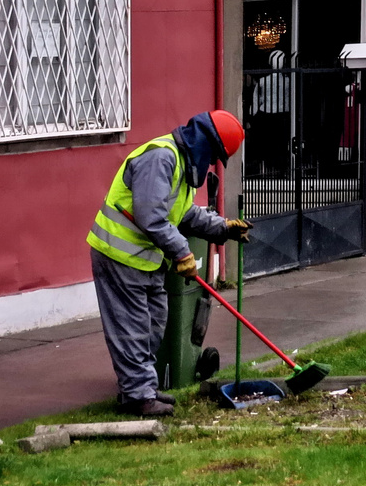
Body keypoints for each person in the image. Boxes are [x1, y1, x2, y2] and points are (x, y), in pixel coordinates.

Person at [87, 110, 251, 415]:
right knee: (133, 328)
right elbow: (151, 217)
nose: (211, 162)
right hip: (119, 256)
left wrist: (223, 228)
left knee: (153, 326)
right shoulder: (162, 158)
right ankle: (138, 396)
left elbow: (184, 215)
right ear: (206, 143)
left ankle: (140, 389)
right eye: (214, 154)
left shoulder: (181, 165)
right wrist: (183, 254)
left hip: (146, 261)